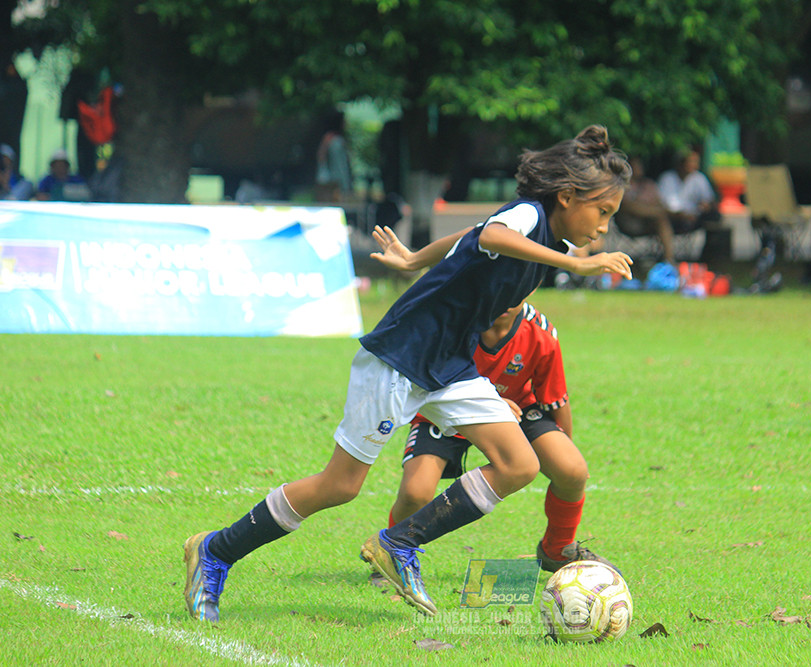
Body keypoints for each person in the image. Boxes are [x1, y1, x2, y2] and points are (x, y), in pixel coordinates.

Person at [182, 125, 634, 622]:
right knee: (341, 485)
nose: (604, 227)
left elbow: (472, 236)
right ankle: (216, 550)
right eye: (603, 211)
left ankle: (399, 543)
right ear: (566, 196)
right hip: (402, 354)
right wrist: (579, 264)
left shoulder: (540, 235)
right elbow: (490, 234)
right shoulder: (529, 215)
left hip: (451, 364)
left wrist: (415, 257)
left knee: (519, 464)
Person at [386, 299, 617, 574]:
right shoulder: (454, 320)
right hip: (446, 410)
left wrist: (564, 448)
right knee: (416, 492)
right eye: (501, 285)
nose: (507, 296)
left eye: (517, 287)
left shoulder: (540, 332)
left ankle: (557, 550)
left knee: (572, 470)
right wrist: (487, 402)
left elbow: (555, 399)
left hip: (517, 409)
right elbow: (423, 379)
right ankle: (392, 556)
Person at [613, 156, 676, 263]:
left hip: (649, 222)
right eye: (634, 166)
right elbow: (628, 206)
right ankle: (669, 259)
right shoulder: (622, 186)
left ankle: (669, 259)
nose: (638, 168)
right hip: (629, 223)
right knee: (660, 214)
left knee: (661, 220)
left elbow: (659, 202)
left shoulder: (649, 184)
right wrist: (652, 210)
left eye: (639, 166)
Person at [656, 147, 720, 235]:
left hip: (694, 217)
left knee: (714, 216)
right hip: (673, 217)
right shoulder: (667, 178)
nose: (694, 165)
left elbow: (708, 199)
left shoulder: (699, 178)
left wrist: (706, 205)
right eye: (691, 161)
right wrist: (681, 215)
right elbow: (663, 203)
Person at [315, 111, 353, 202]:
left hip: (341, 171)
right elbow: (321, 156)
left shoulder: (339, 137)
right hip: (332, 174)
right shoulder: (329, 137)